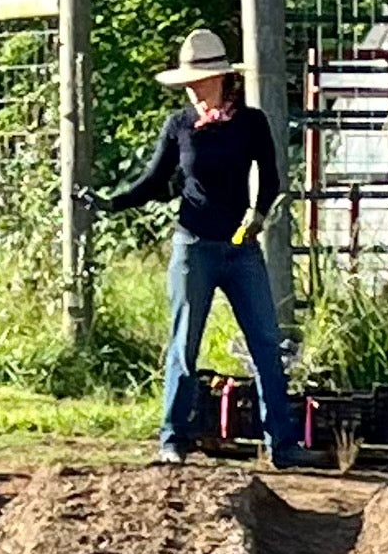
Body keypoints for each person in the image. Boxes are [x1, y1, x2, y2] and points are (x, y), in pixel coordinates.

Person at [94, 27, 304, 470]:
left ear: (222, 79)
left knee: (266, 344)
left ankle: (282, 444)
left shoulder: (251, 123)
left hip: (240, 249)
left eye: (199, 80)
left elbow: (270, 178)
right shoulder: (180, 127)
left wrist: (257, 218)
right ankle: (173, 437)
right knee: (184, 347)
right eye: (187, 82)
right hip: (193, 247)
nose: (191, 89)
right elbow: (153, 182)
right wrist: (111, 203)